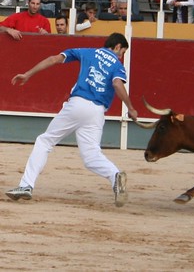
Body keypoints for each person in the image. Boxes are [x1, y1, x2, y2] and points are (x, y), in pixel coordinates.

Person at [5, 33, 138, 208]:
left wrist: (28, 74)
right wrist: (130, 107)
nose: (120, 56)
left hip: (77, 104)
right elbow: (117, 84)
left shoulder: (87, 52)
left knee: (45, 141)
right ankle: (115, 175)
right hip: (97, 112)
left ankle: (26, 185)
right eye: (122, 52)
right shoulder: (117, 65)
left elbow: (54, 59)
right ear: (118, 46)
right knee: (91, 156)